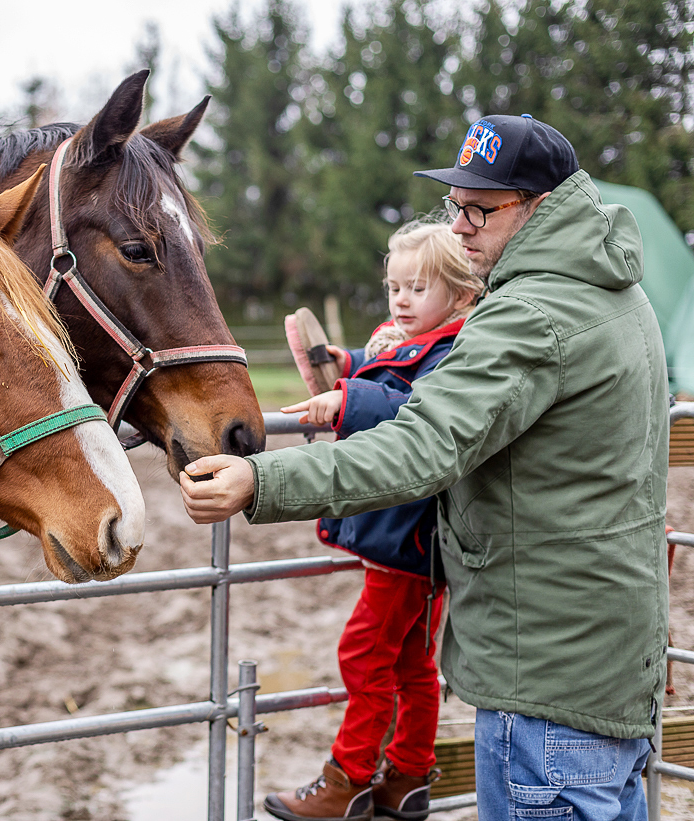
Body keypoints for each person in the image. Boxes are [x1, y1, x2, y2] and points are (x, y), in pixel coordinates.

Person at [182, 113, 669, 820]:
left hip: (543, 680)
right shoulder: (618, 294)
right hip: (609, 665)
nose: (461, 224)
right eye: (456, 203)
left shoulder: (530, 315)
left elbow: (425, 444)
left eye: (482, 206)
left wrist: (263, 479)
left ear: (540, 206)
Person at [265, 220, 483, 821]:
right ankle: (407, 775)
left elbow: (418, 404)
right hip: (415, 540)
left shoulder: (460, 349)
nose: (401, 300)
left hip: (407, 538)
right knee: (412, 661)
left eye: (417, 288)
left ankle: (350, 778)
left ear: (462, 295)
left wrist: (346, 399)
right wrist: (348, 363)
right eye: (394, 288)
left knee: (364, 653)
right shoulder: (414, 338)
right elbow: (389, 364)